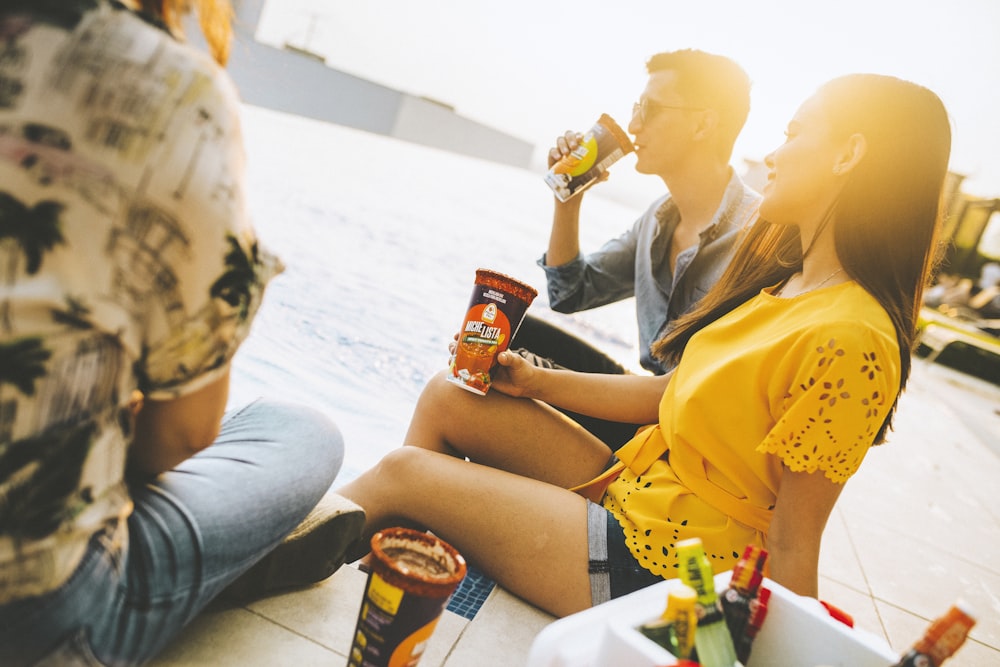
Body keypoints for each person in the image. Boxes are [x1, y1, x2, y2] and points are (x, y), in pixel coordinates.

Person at [337, 73, 952, 619]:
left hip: (669, 575)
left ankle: (262, 550)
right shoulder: (787, 283)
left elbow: (794, 542)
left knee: (403, 473)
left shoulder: (852, 340)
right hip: (637, 491)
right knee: (452, 397)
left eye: (793, 134)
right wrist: (535, 381)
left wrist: (756, 647)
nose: (772, 153)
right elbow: (669, 391)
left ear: (849, 154)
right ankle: (393, 574)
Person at [0, 2, 363, 665]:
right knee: (300, 430)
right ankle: (218, 577)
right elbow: (180, 437)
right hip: (32, 614)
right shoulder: (175, 91)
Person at [513, 49, 761, 445]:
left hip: (686, 433)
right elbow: (569, 293)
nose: (633, 125)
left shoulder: (757, 238)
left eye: (649, 108)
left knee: (501, 380)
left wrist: (540, 384)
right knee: (507, 331)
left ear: (703, 124)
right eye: (635, 108)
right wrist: (568, 201)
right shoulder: (659, 219)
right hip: (644, 405)